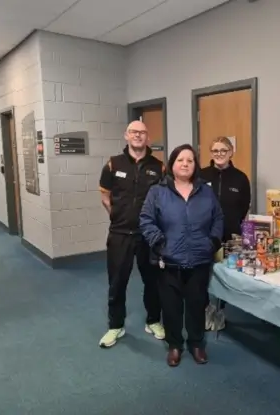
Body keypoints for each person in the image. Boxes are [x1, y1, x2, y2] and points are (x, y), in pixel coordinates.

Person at [139, 144, 224, 367]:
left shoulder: (206, 191)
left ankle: (197, 344)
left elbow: (218, 219)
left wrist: (212, 243)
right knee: (171, 307)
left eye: (190, 160)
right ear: (172, 164)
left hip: (199, 260)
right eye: (180, 160)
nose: (185, 164)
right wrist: (160, 242)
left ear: (195, 166)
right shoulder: (157, 191)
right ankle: (175, 345)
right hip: (168, 261)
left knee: (197, 305)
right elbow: (146, 220)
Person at [98, 120, 165, 348]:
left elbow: (163, 200)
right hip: (120, 234)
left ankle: (154, 320)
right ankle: (115, 325)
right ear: (126, 135)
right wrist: (116, 215)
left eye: (142, 132)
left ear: (148, 137)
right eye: (133, 132)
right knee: (117, 282)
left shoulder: (159, 167)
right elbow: (105, 196)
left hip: (148, 235)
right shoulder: (112, 164)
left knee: (153, 281)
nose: (138, 136)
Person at [200, 137, 251, 331]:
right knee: (202, 273)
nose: (219, 154)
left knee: (226, 275)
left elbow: (244, 205)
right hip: (204, 234)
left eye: (223, 150)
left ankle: (221, 310)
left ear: (231, 152)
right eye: (215, 150)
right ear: (211, 153)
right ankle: (205, 308)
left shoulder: (240, 178)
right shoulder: (201, 175)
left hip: (230, 236)